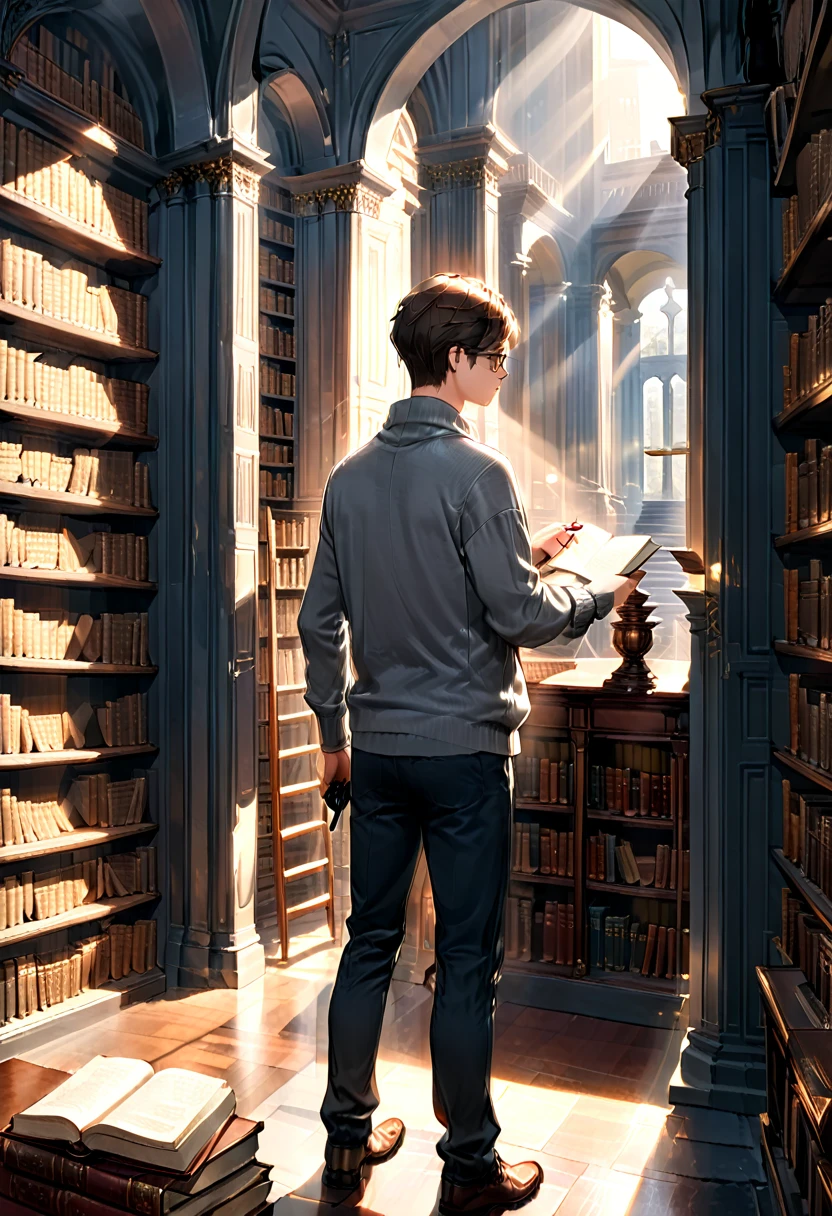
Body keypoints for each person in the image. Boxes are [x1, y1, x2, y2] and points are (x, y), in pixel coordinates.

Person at [297, 273, 635, 1214]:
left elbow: (320, 621)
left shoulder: (350, 478)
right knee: (468, 959)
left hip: (379, 750)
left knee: (368, 945)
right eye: (495, 359)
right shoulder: (480, 474)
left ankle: (344, 1142)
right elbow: (519, 617)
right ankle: (472, 1162)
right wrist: (591, 593)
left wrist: (334, 738)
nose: (500, 374)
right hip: (465, 757)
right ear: (456, 359)